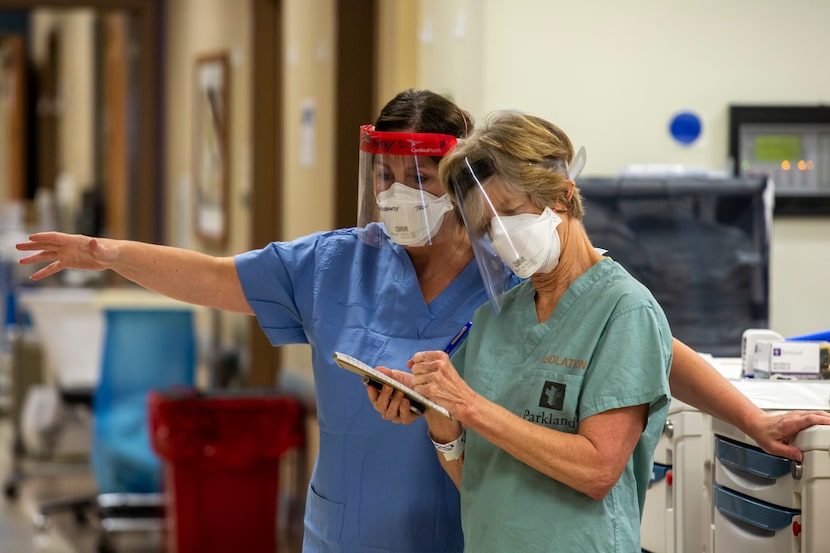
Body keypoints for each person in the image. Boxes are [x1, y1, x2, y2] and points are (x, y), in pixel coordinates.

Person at [17, 92, 830, 551]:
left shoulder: (509, 272)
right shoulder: (337, 262)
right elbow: (219, 277)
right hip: (346, 532)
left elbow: (648, 344)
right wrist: (106, 249)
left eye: (411, 175)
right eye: (380, 174)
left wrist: (750, 416)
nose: (391, 194)